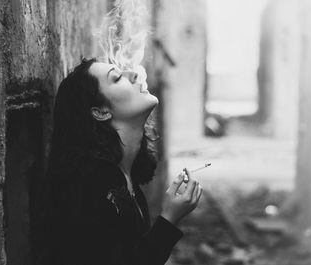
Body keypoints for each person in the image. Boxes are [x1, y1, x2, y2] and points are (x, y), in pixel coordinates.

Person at [36, 58, 202, 265]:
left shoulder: (121, 176)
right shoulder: (88, 184)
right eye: (116, 78)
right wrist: (169, 218)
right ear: (101, 112)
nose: (133, 74)